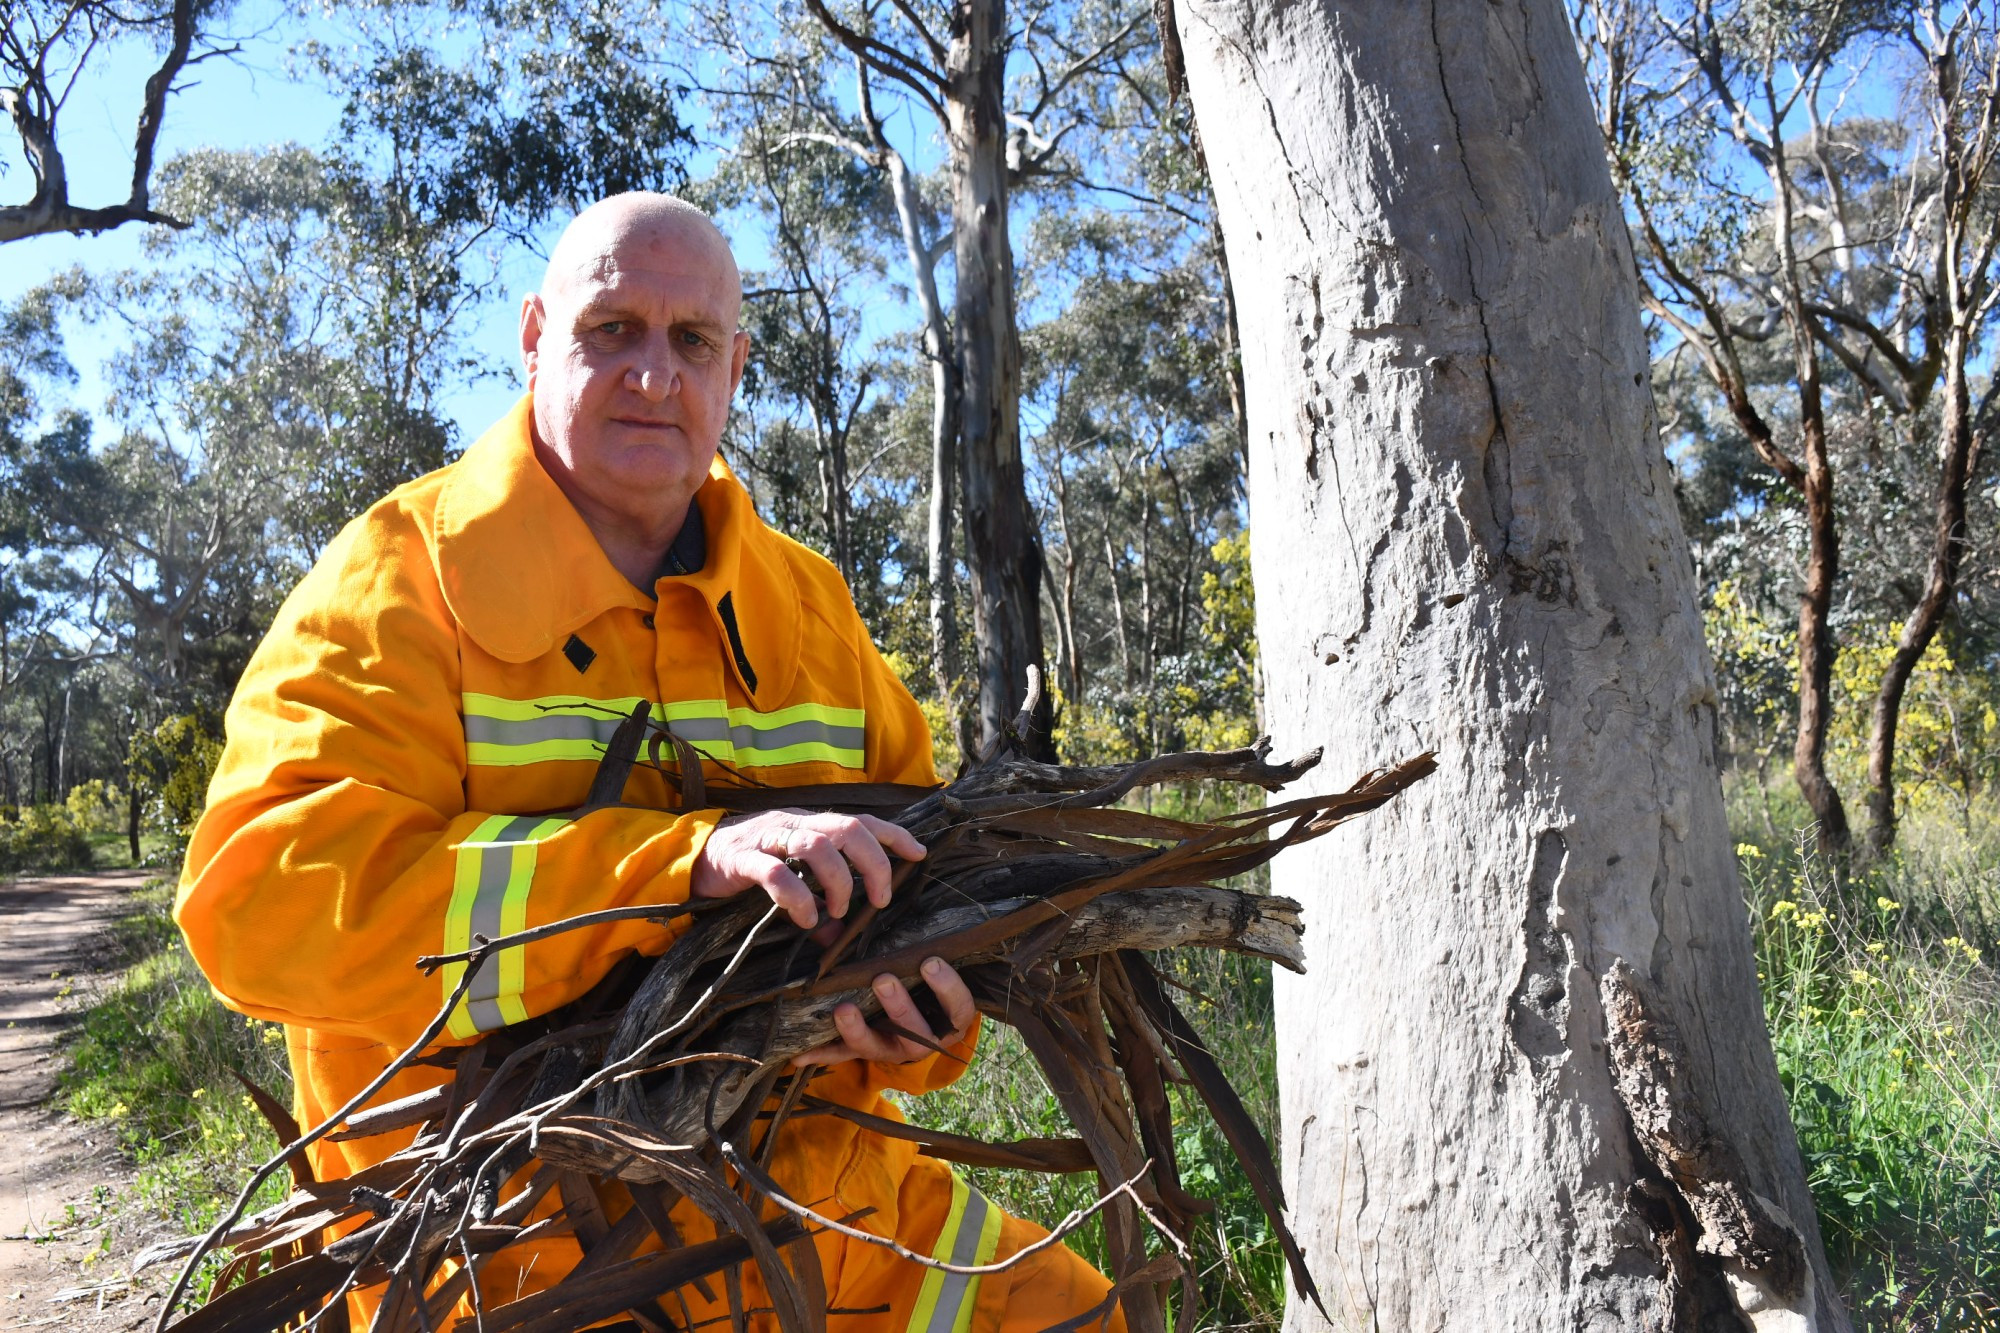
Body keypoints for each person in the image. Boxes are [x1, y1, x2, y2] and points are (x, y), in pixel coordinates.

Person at [176, 193, 1125, 1331]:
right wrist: (676, 872)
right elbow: (257, 903)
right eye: (609, 329)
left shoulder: (810, 612)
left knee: (1080, 1312)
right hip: (515, 1266)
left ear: (735, 366)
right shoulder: (402, 585)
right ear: (534, 339)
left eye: (690, 340)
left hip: (830, 1233)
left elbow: (927, 900)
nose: (652, 374)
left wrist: (921, 1024)